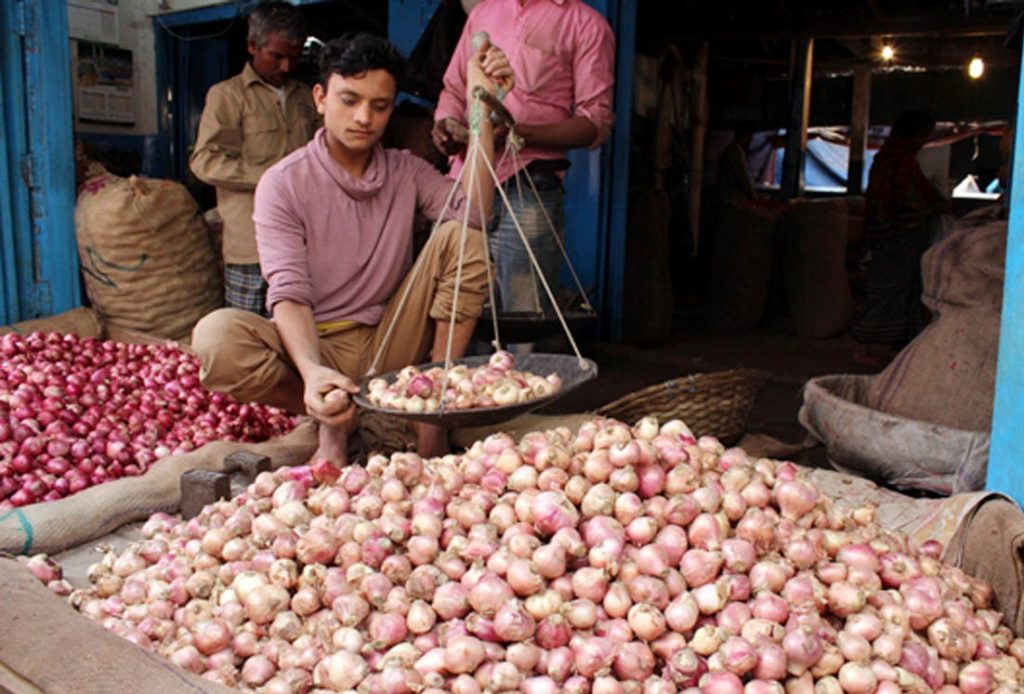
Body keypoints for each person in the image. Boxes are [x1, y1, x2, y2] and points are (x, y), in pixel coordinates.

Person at [191, 32, 511, 466]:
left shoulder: (406, 171)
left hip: (391, 337)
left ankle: (433, 411)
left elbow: (475, 214)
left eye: (379, 106)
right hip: (319, 341)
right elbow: (289, 293)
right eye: (349, 100)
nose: (364, 117)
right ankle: (336, 416)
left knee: (464, 235)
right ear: (320, 98)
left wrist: (481, 110)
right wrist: (312, 372)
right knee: (217, 338)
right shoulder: (283, 183)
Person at [432, 0, 615, 335]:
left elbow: (595, 124)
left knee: (523, 321)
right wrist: (445, 125)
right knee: (454, 308)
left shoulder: (586, 24)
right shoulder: (485, 11)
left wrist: (521, 132)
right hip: (465, 181)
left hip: (529, 184)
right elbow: (454, 90)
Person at [190, 1, 318, 316]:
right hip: (251, 247)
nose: (286, 67)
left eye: (294, 57)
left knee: (299, 327)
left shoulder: (307, 97)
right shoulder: (228, 96)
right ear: (252, 46)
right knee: (245, 331)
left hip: (304, 243)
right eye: (276, 56)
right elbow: (205, 161)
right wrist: (272, 178)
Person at [852, 110, 952, 366]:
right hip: (897, 237)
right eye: (924, 135)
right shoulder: (901, 161)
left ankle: (875, 345)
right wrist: (936, 206)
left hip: (887, 236)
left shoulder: (889, 157)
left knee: (887, 289)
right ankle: (876, 347)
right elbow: (908, 198)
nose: (924, 141)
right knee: (891, 290)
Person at [716, 122, 759, 203]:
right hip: (730, 197)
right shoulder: (735, 151)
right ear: (748, 136)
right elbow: (743, 176)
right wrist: (754, 196)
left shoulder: (731, 149)